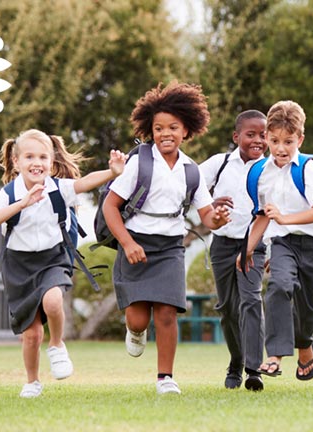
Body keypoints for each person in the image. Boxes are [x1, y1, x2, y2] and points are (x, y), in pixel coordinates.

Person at [103, 81, 231, 395]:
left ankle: (165, 378)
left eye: (173, 127)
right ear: (151, 130)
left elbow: (206, 216)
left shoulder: (192, 171)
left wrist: (218, 217)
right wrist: (129, 243)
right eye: (159, 128)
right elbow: (110, 206)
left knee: (167, 311)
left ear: (186, 130)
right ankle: (135, 332)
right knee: (137, 319)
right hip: (136, 243)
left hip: (171, 246)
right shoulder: (140, 162)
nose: (165, 133)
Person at [0, 129, 126, 398]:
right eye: (29, 157)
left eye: (42, 157)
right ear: (16, 162)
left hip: (52, 257)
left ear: (51, 162)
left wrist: (112, 173)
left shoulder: (59, 188)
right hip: (18, 265)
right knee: (32, 334)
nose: (36, 163)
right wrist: (22, 204)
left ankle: (58, 344)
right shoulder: (9, 193)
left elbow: (85, 183)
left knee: (52, 302)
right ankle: (32, 381)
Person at [239, 100, 313, 383]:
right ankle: (275, 355)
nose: (281, 148)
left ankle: (305, 345)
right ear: (266, 136)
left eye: (288, 141)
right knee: (279, 286)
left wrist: (284, 218)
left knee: (307, 308)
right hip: (283, 244)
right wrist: (246, 249)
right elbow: (262, 216)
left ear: (300, 139)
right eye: (275, 140)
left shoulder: (308, 169)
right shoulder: (260, 173)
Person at [199, 110, 268, 391]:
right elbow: (192, 188)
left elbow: (273, 212)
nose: (258, 140)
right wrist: (211, 202)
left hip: (255, 244)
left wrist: (269, 249)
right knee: (228, 309)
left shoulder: (271, 168)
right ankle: (236, 362)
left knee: (251, 301)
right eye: (250, 134)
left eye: (263, 135)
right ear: (236, 136)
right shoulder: (220, 162)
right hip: (222, 244)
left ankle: (254, 369)